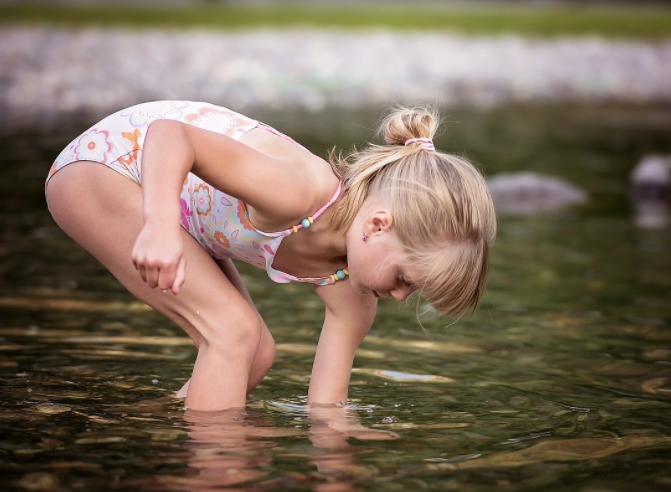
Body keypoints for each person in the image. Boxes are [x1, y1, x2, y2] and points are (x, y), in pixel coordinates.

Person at [45, 100, 496, 412]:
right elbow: (170, 135)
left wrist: (339, 466)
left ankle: (145, 426)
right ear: (377, 225)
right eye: (405, 279)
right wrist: (159, 226)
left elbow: (325, 406)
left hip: (173, 208)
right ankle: (216, 471)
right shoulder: (299, 190)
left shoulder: (354, 298)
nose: (399, 296)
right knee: (233, 334)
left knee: (255, 355)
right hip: (109, 168)